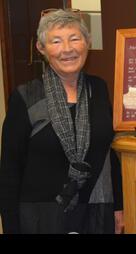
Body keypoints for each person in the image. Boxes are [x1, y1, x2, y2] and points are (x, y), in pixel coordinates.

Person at [0, 9, 124, 234]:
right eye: (56, 41)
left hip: (96, 209)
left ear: (87, 42)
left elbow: (109, 153)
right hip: (41, 216)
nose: (67, 49)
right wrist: (11, 225)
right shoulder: (26, 97)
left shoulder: (99, 88)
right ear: (41, 48)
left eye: (75, 38)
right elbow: (10, 169)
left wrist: (119, 207)